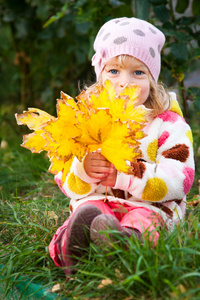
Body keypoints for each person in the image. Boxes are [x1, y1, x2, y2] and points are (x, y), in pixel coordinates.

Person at [49, 17, 195, 276]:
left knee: (146, 222)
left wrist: (127, 175)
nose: (124, 82)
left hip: (150, 206)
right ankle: (73, 251)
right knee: (86, 212)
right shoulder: (88, 118)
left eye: (137, 72)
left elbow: (180, 177)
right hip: (99, 200)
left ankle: (125, 245)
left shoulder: (168, 124)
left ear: (152, 79)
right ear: (100, 74)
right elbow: (64, 176)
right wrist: (83, 170)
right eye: (113, 71)